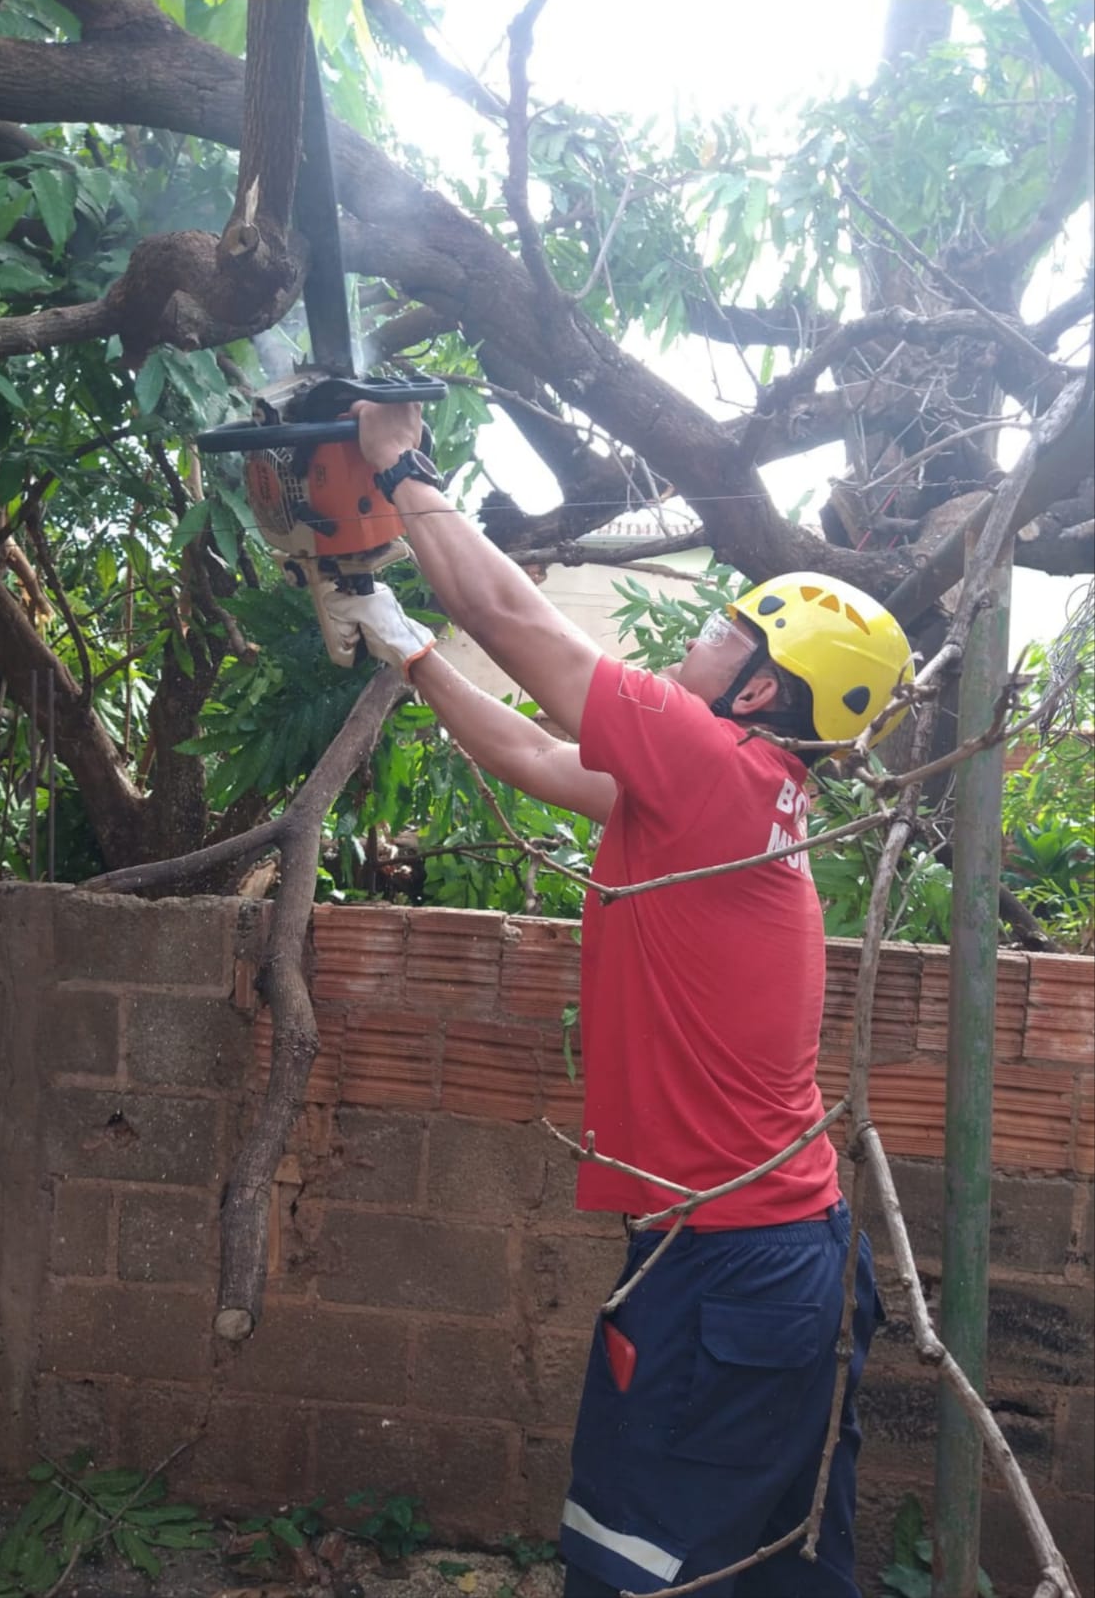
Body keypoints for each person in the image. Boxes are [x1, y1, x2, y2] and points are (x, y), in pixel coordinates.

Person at [314, 400, 914, 1597]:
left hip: (730, 1273)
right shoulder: (726, 801)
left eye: (717, 632)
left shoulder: (717, 773)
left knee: (640, 1567)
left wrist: (399, 466)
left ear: (758, 696)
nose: (690, 641)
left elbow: (507, 613)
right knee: (764, 1570)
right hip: (772, 1259)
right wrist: (403, 643)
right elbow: (535, 757)